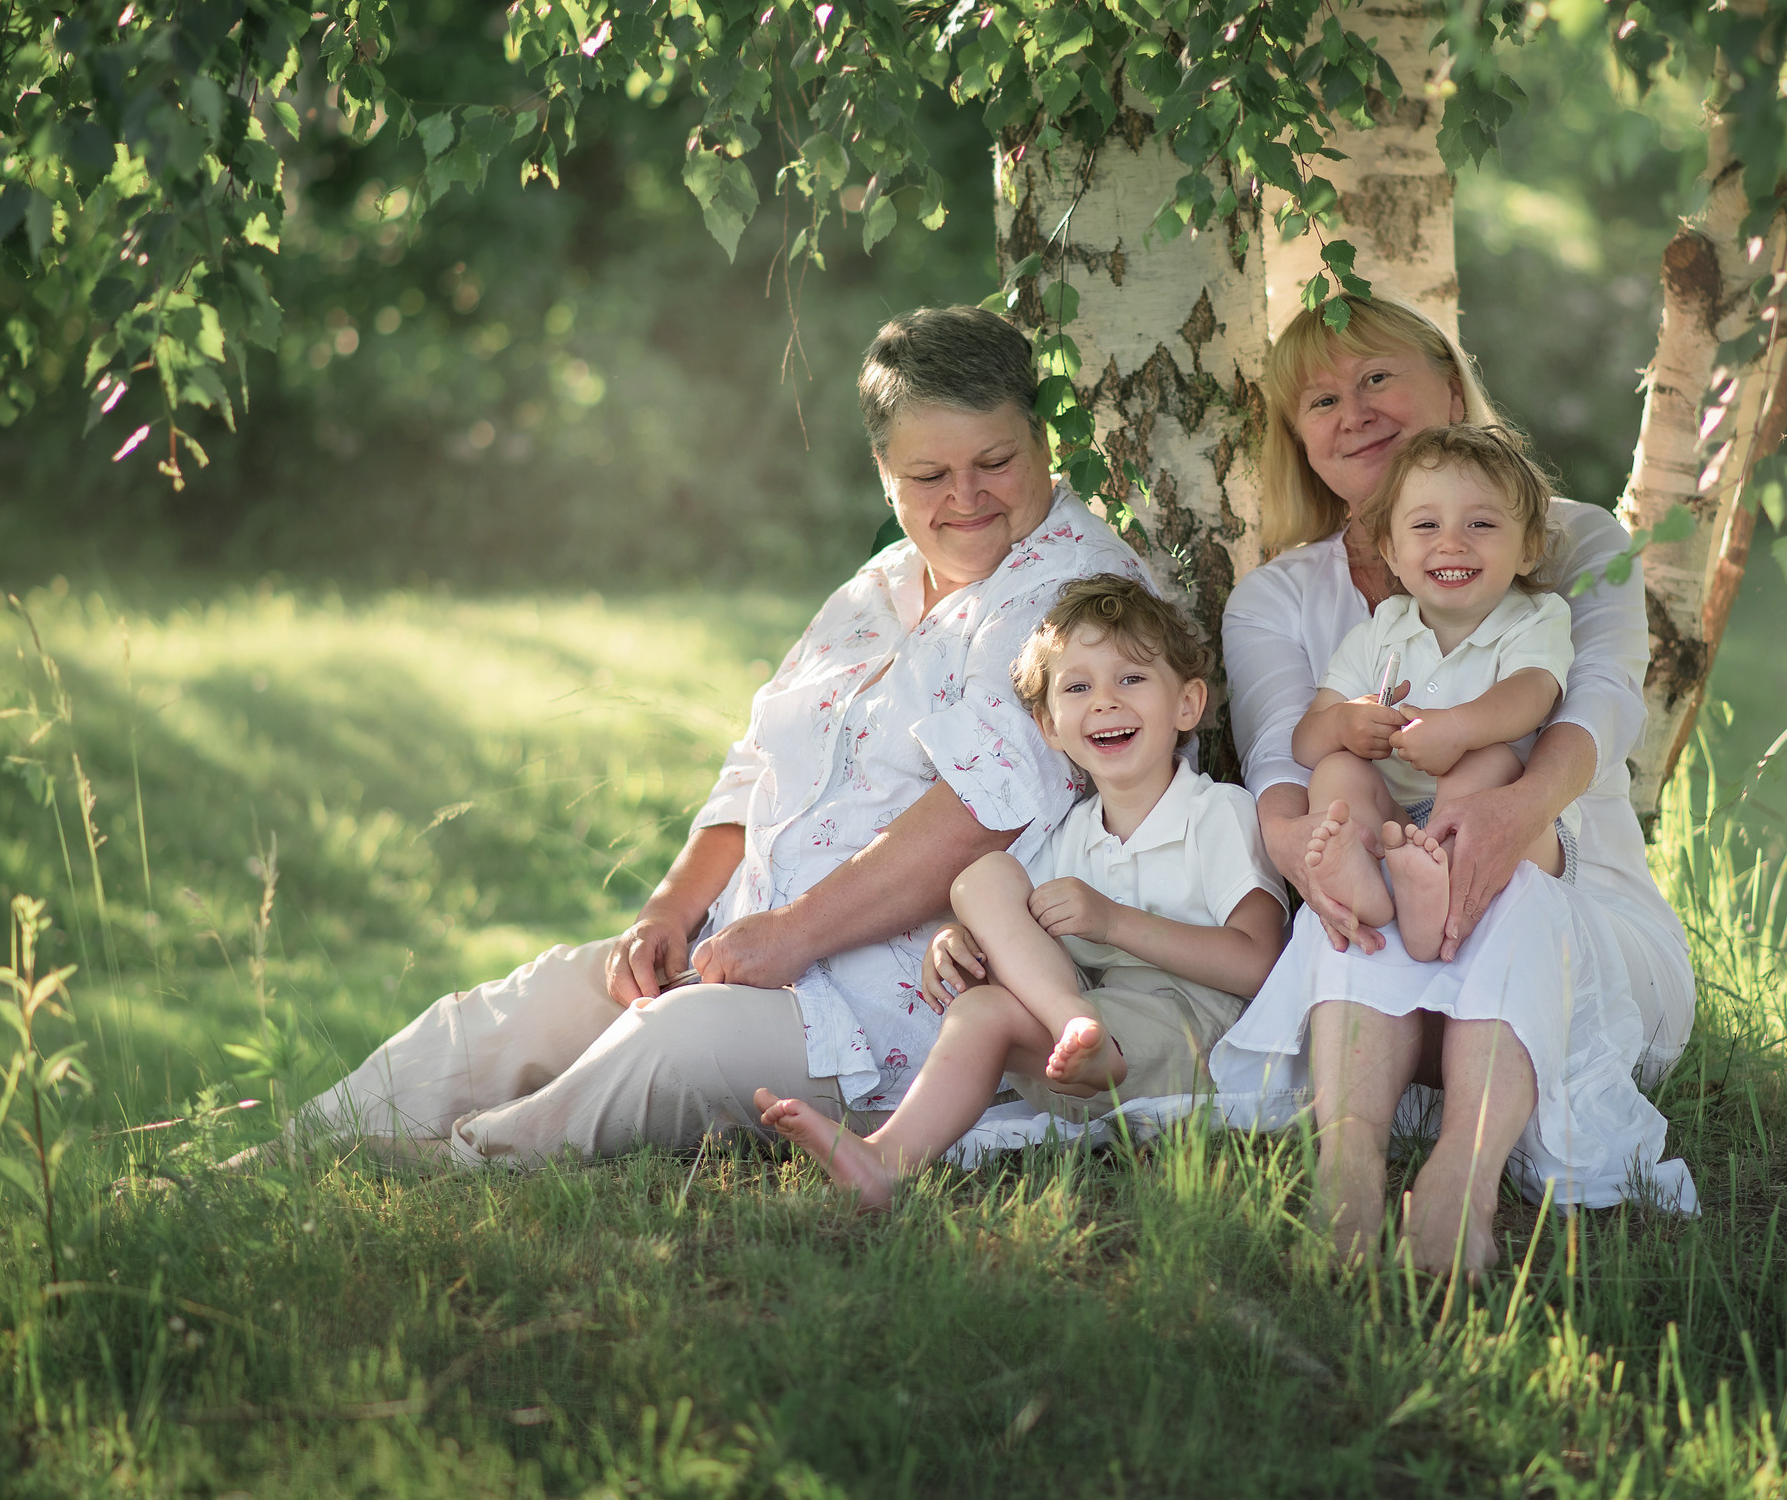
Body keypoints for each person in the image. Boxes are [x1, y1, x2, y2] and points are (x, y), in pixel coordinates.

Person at [264, 307, 1151, 1168]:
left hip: (905, 1001)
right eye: (928, 476)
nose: (964, 497)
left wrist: (792, 935)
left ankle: (465, 1161)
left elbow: (980, 812)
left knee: (670, 1042)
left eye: (994, 461)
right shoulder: (877, 584)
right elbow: (759, 761)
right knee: (528, 1003)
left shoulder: (1084, 599)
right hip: (740, 943)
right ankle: (289, 1152)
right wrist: (670, 910)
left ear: (1042, 442)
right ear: (883, 471)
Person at [1211, 295, 1696, 1279]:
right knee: (1347, 834)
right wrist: (1317, 863)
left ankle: (1458, 1186)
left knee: (1503, 850)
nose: (1353, 409)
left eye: (1378, 376)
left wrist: (1501, 816)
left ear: (1448, 379)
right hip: (1380, 916)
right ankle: (1347, 1170)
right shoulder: (1280, 597)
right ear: (1297, 441)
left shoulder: (1567, 543)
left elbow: (1589, 712)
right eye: (1321, 398)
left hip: (1580, 943)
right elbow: (1282, 765)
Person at [759, 575, 1287, 1208]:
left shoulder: (1218, 814)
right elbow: (1015, 921)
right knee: (980, 900)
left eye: (1131, 679)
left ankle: (1082, 1028)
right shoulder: (1071, 835)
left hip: (1195, 1037)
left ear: (1188, 705)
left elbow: (1260, 965)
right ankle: (883, 1160)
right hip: (1092, 1039)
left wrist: (1113, 923)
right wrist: (960, 943)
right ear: (1049, 727)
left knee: (1022, 945)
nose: (1105, 702)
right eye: (1077, 687)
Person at [1292, 423, 1575, 957]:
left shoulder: (1534, 619)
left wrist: (1457, 728)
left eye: (1481, 524)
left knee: (1484, 763)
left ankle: (1433, 905)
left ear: (1528, 549)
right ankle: (1370, 879)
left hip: (1507, 833)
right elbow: (1306, 742)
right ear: (1392, 553)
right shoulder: (1380, 631)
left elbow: (1534, 692)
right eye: (1425, 525)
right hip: (1397, 823)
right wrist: (1346, 725)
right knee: (1335, 769)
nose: (1452, 542)